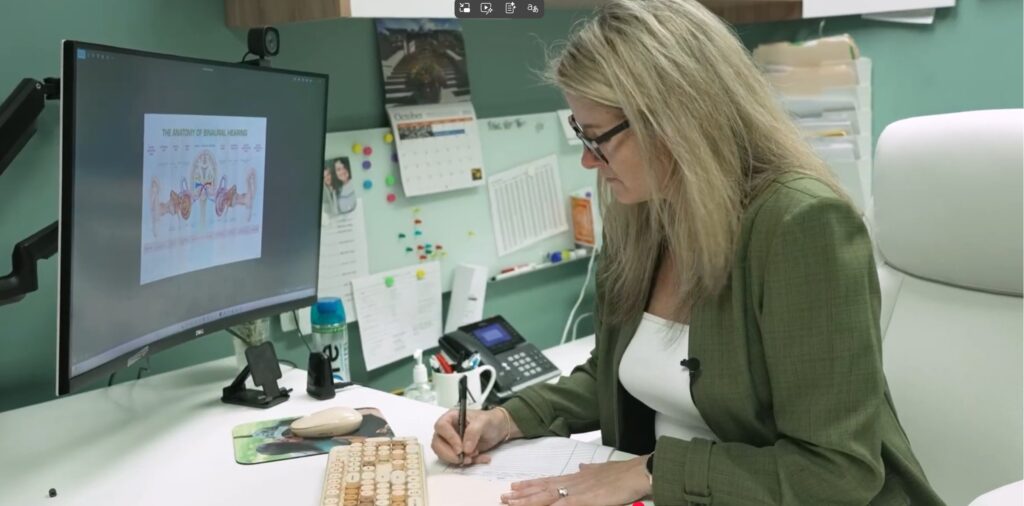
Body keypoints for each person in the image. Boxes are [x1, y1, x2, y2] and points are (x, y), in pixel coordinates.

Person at [430, 1, 943, 505]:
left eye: (598, 138)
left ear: (675, 121)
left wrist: (651, 471)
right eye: (579, 134)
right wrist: (506, 418)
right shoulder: (646, 213)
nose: (588, 159)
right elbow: (617, 368)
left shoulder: (801, 225)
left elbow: (836, 471)